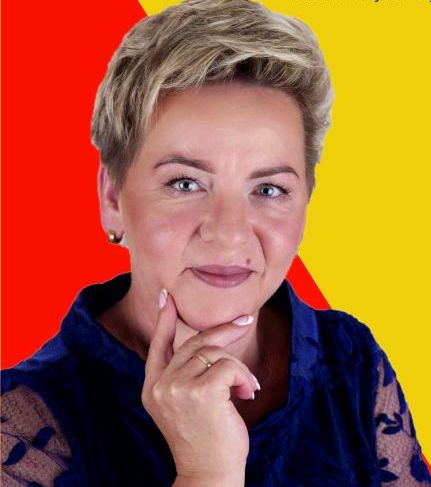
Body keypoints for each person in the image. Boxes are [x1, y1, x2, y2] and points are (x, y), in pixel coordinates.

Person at [1, 0, 430, 485]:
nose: (229, 232)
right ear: (113, 198)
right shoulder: (21, 424)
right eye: (185, 183)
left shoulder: (350, 359)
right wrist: (206, 471)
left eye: (269, 189)